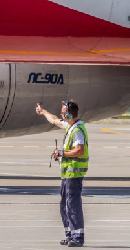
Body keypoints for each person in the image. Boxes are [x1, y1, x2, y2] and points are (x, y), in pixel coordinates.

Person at [36, 100, 89, 247]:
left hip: (74, 174)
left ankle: (78, 237)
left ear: (69, 114)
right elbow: (54, 120)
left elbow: (80, 150)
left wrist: (62, 153)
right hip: (67, 174)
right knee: (65, 205)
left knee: (72, 205)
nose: (60, 114)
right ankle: (70, 234)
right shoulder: (70, 126)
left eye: (63, 111)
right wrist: (43, 112)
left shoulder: (77, 130)